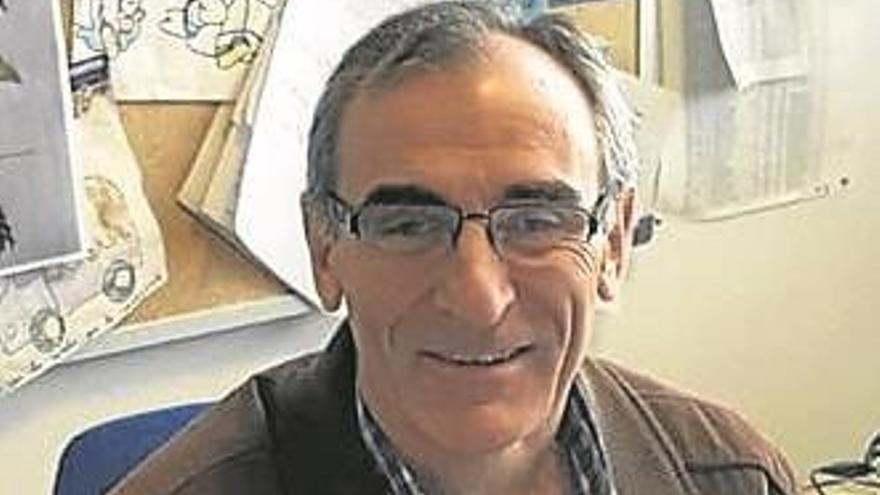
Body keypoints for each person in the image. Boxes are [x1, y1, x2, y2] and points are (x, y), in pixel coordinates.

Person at [110, 2, 798, 494]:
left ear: (613, 240)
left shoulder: (734, 476)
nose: (478, 298)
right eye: (409, 225)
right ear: (324, 247)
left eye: (536, 220)